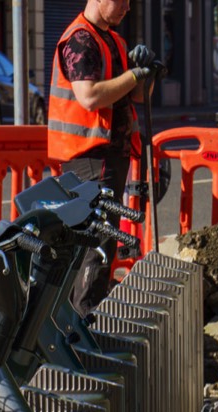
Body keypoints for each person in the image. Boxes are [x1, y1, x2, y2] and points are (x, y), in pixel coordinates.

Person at [48, 0, 154, 314]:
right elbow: (90, 96)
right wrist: (135, 75)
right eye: (121, 0)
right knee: (94, 246)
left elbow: (135, 95)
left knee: (99, 243)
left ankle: (80, 323)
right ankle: (82, 327)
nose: (128, 7)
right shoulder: (80, 39)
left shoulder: (113, 40)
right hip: (89, 159)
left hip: (108, 156)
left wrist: (148, 74)